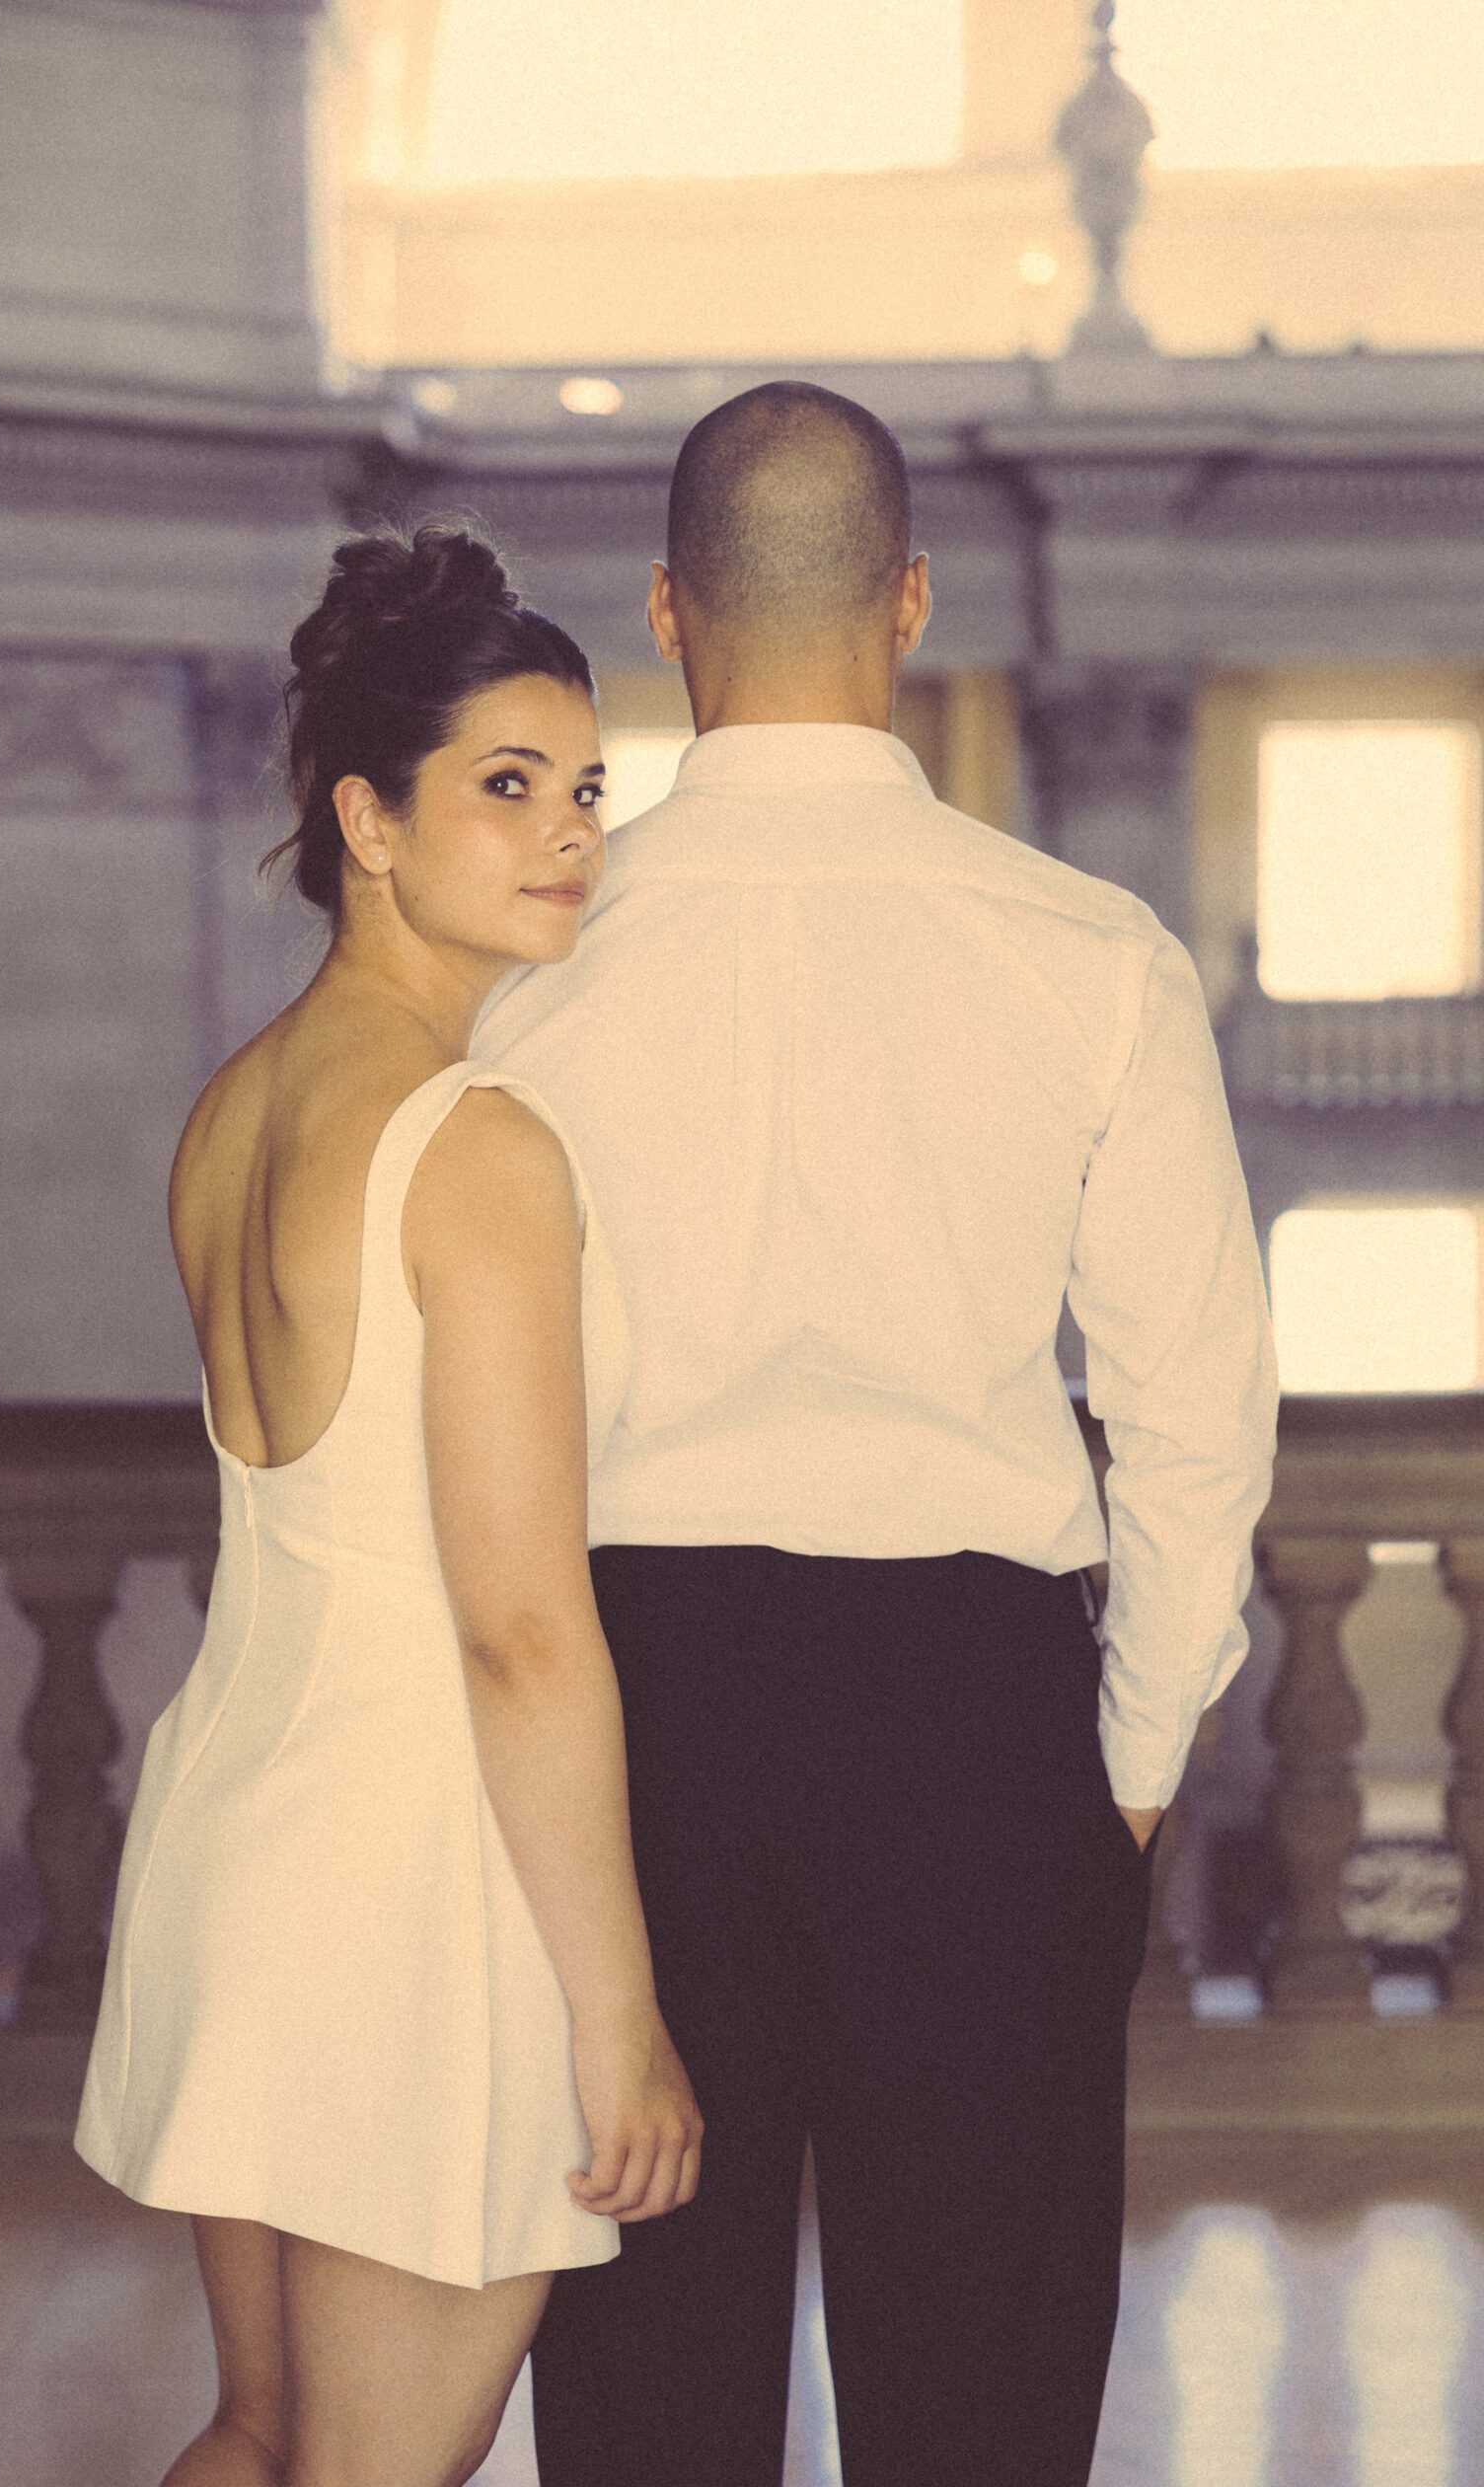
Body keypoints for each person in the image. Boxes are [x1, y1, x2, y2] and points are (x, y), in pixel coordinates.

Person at [473, 381, 1282, 2487]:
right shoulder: (1092, 956)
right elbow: (1193, 1418)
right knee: (985, 2413)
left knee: (648, 2399)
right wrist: (1118, 1768)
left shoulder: (524, 973)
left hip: (627, 1720)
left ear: (668, 614)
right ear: (909, 602)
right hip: (978, 1723)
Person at [74, 523, 702, 2487]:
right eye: (503, 790)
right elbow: (518, 1630)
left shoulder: (237, 1103)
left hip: (237, 1828)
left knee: (259, 2440)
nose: (569, 834)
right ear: (367, 817)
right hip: (414, 1881)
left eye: (589, 788)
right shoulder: (480, 1145)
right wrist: (621, 2020)